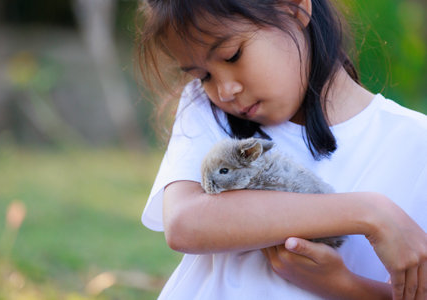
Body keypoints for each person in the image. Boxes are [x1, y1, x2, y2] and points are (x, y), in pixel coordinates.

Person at [137, 0, 427, 299]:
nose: (225, 90)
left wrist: (343, 286)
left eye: (232, 55)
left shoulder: (416, 145)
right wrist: (370, 212)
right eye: (204, 76)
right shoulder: (207, 110)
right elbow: (185, 222)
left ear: (295, 8)